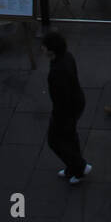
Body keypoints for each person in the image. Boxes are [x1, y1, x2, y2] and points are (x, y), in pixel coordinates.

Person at [43, 31, 91, 185]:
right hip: (76, 103)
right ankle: (73, 166)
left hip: (65, 110)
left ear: (51, 50)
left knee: (54, 141)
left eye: (43, 47)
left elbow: (61, 98)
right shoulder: (67, 57)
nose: (41, 49)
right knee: (69, 136)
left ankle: (79, 166)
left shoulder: (57, 72)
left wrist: (58, 115)